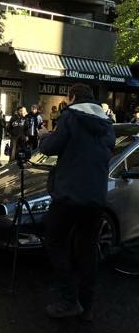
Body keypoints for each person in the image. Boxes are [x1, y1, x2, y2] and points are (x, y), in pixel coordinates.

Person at [38, 84, 116, 320]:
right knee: (88, 250)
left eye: (68, 97)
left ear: (72, 97)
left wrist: (45, 136)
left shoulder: (70, 116)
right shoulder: (107, 123)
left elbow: (51, 148)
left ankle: (69, 299)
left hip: (69, 195)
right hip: (96, 197)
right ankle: (86, 305)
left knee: (55, 240)